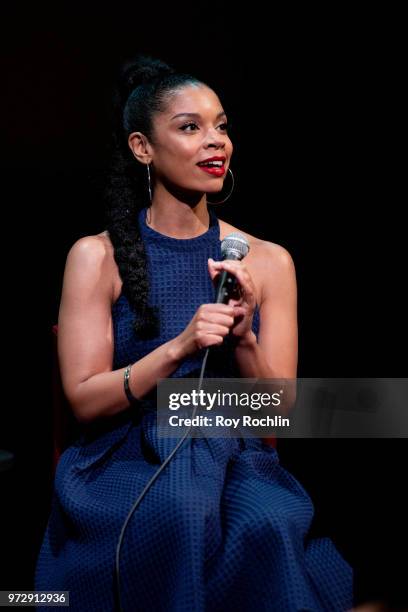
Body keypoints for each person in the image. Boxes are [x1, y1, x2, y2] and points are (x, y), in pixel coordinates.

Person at [35, 54, 353, 611]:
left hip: (230, 454)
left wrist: (244, 337)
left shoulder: (269, 260)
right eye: (191, 127)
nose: (216, 142)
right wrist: (178, 348)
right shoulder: (95, 256)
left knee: (269, 523)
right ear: (142, 148)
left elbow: (278, 411)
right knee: (177, 513)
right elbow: (84, 399)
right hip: (127, 455)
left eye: (222, 126)